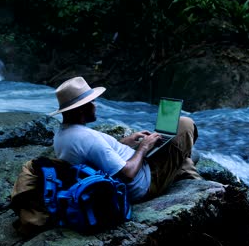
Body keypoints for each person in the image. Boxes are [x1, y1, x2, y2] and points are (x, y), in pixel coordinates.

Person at [50, 76, 201, 203]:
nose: (96, 105)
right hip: (142, 184)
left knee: (187, 157)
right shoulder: (87, 138)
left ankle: (194, 180)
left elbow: (97, 157)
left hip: (128, 176)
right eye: (92, 102)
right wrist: (143, 147)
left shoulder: (62, 134)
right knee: (185, 124)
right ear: (82, 108)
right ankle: (201, 189)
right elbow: (127, 174)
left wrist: (124, 143)